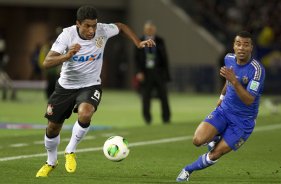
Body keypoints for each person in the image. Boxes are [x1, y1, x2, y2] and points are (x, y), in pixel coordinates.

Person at [35, 5, 155, 177]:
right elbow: (46, 62)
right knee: (53, 128)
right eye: (87, 26)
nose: (92, 30)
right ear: (78, 24)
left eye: (94, 25)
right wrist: (66, 56)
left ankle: (70, 151)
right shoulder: (67, 35)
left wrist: (137, 43)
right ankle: (51, 162)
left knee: (85, 113)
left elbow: (121, 26)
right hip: (66, 87)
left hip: (90, 85)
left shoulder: (103, 30)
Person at [176, 31, 265, 182]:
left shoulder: (257, 70)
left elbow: (249, 99)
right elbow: (228, 81)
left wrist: (234, 81)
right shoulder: (228, 59)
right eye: (238, 44)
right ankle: (216, 136)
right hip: (224, 111)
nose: (241, 48)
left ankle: (187, 170)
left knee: (216, 153)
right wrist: (222, 96)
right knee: (197, 140)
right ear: (233, 46)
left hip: (243, 122)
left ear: (251, 48)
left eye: (245, 45)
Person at [135, 21, 171, 124]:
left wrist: (166, 73)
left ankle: (166, 118)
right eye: (148, 29)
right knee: (146, 97)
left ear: (154, 30)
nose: (150, 31)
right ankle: (147, 119)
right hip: (146, 73)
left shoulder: (160, 41)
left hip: (159, 72)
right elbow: (136, 58)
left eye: (151, 29)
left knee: (164, 96)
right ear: (144, 30)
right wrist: (138, 72)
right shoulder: (140, 41)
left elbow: (165, 58)